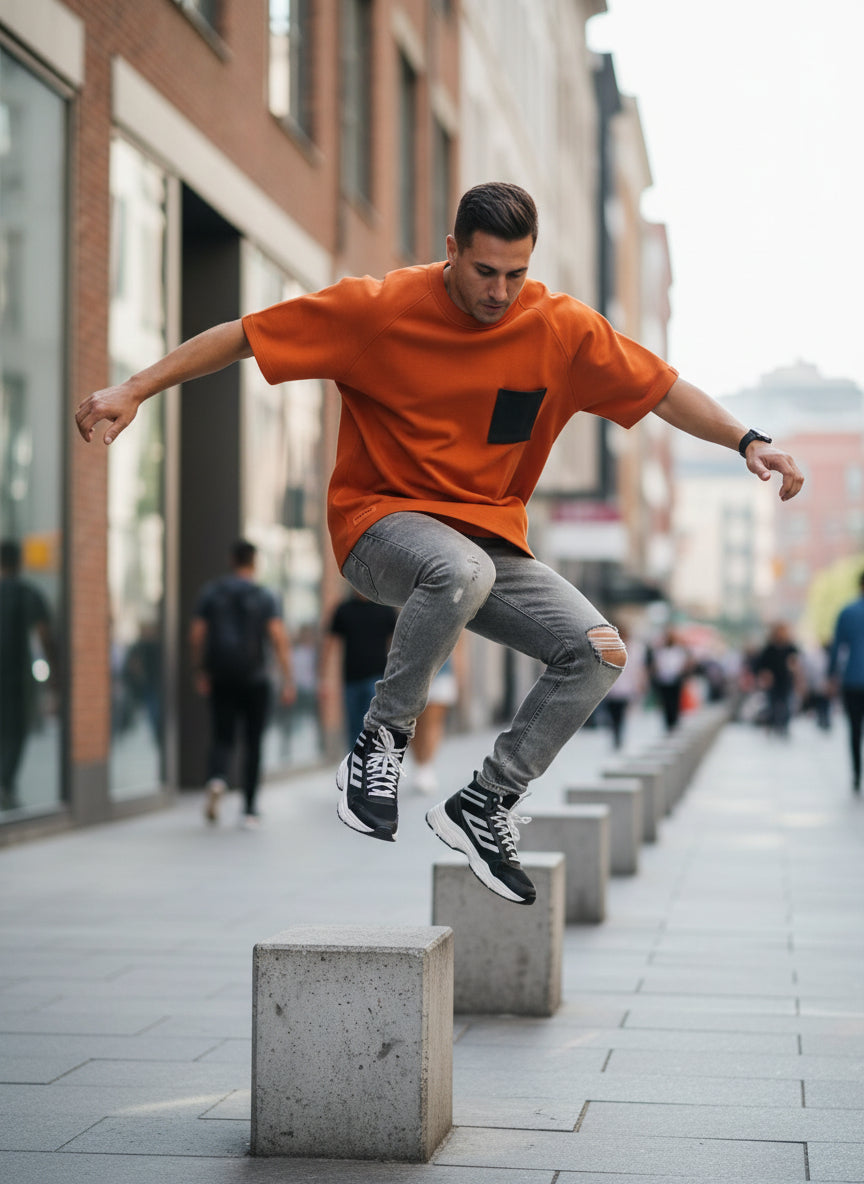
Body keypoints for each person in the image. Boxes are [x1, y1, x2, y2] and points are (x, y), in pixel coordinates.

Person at [75, 181, 804, 904]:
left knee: (599, 648)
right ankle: (379, 746)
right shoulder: (378, 308)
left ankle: (486, 802)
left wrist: (747, 438)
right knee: (459, 568)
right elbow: (245, 334)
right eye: (484, 272)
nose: (499, 292)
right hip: (377, 525)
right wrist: (135, 388)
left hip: (490, 545)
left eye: (516, 275)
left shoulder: (560, 328)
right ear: (452, 251)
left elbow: (663, 388)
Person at [190, 540, 295, 826]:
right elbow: (278, 637)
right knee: (253, 742)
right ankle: (249, 809)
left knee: (222, 735)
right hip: (256, 678)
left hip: (221, 675)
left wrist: (201, 669)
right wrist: (288, 679)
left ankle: (217, 778)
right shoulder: (264, 596)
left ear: (231, 560)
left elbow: (198, 633)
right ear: (254, 563)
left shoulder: (212, 592)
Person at [0, 540, 55, 810]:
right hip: (16, 679)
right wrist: (51, 672)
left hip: (13, 679)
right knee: (14, 733)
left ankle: (5, 786)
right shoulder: (27, 593)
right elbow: (44, 634)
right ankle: (5, 783)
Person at [321, 592, 398, 747]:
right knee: (354, 729)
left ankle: (371, 765)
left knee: (374, 727)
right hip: (351, 680)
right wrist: (324, 679)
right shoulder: (343, 609)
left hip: (377, 680)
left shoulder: (385, 609)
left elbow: (396, 645)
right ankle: (355, 767)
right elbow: (330, 644)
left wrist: (396, 678)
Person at [410, 641, 465, 794]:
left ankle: (426, 766)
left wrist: (459, 676)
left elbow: (459, 645)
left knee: (433, 722)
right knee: (414, 723)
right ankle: (419, 764)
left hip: (443, 672)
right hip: (413, 671)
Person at [829, 570, 864, 792]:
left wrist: (831, 675)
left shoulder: (848, 612)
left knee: (854, 730)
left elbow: (836, 648)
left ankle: (856, 775)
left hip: (853, 679)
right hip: (853, 678)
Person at [754, 622, 800, 738]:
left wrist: (794, 669)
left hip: (785, 680)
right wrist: (765, 674)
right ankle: (772, 725)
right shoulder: (769, 649)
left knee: (786, 704)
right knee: (772, 705)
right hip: (772, 682)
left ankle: (783, 726)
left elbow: (796, 663)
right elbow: (760, 665)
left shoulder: (790, 647)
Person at [648, 628, 692, 733]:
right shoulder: (660, 651)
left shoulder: (678, 650)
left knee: (675, 702)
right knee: (665, 703)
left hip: (675, 680)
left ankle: (674, 722)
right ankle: (668, 724)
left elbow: (684, 664)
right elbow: (656, 665)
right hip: (663, 680)